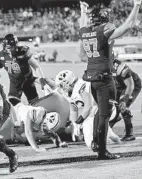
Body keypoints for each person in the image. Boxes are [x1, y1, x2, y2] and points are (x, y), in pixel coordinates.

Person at [79, 0, 141, 160]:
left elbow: (82, 25)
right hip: (104, 79)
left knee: (100, 111)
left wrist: (83, 11)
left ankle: (96, 144)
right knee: (104, 115)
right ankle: (102, 151)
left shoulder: (85, 31)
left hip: (92, 79)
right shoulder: (103, 30)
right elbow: (128, 26)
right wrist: (136, 6)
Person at [54, 70, 121, 148]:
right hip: (97, 111)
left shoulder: (81, 85)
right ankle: (113, 138)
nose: (61, 88)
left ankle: (103, 143)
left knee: (89, 140)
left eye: (62, 85)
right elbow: (73, 110)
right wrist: (74, 124)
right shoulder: (69, 92)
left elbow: (89, 107)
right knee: (93, 127)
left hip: (107, 108)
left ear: (68, 82)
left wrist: (79, 122)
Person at [0, 34, 46, 106]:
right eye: (7, 48)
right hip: (15, 83)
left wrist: (42, 80)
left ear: (15, 45)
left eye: (11, 47)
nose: (9, 50)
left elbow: (36, 66)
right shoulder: (0, 55)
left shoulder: (23, 51)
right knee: (13, 106)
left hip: (28, 81)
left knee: (35, 104)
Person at [110, 59, 141, 141]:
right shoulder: (100, 65)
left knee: (122, 106)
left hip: (131, 86)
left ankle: (129, 133)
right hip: (117, 86)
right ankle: (113, 121)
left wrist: (125, 99)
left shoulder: (121, 67)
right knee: (111, 107)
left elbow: (130, 85)